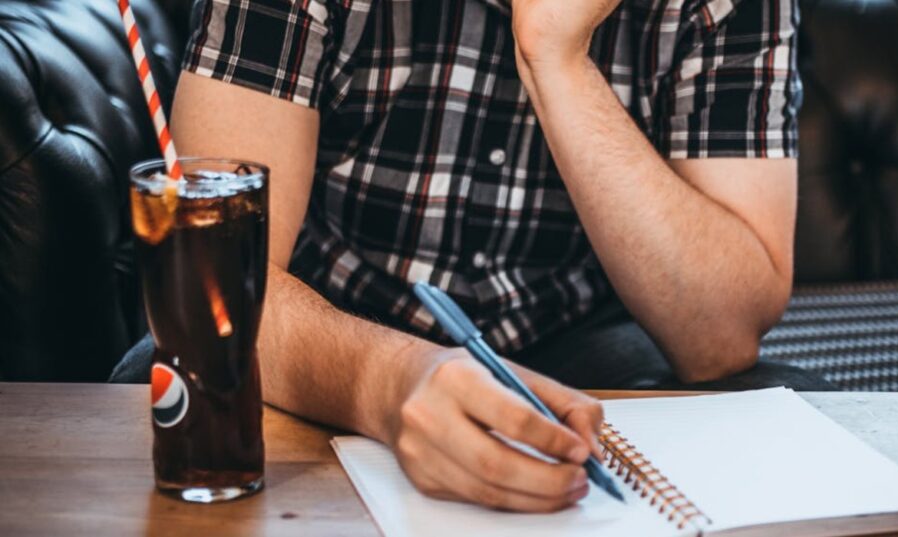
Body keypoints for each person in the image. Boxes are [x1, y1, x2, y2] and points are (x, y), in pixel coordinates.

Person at [113, 0, 832, 513]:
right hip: (316, 333)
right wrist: (385, 380)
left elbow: (723, 335)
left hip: (583, 341)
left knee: (785, 410)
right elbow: (218, 279)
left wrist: (554, 55)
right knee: (162, 386)